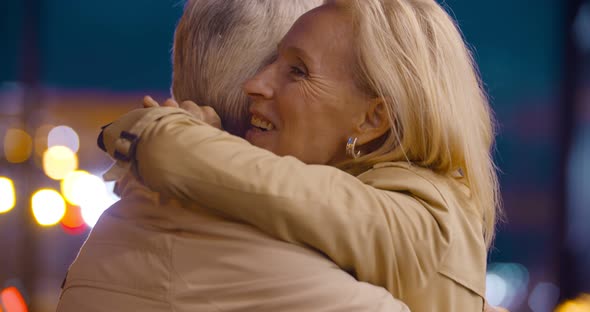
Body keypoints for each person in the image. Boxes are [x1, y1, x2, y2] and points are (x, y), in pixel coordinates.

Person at [99, 0, 502, 311]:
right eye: (274, 61)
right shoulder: (410, 212)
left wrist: (164, 132)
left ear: (373, 117)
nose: (254, 84)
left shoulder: (427, 218)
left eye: (298, 71)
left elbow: (269, 187)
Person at [57, 1, 410, 311]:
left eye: (297, 68)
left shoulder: (115, 232)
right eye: (294, 68)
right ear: (258, 106)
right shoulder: (305, 282)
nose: (264, 83)